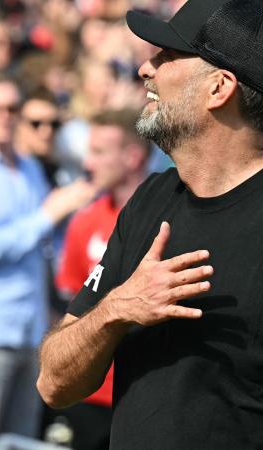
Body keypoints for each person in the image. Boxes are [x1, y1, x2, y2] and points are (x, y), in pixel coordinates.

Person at [37, 1, 263, 449]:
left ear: (219, 88)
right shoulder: (149, 200)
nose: (146, 68)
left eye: (168, 56)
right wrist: (116, 309)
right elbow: (53, 384)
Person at [0, 72, 96, 450]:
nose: (4, 117)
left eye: (11, 108)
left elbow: (43, 244)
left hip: (28, 329)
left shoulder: (26, 167)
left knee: (21, 444)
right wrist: (47, 216)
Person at [54, 108, 151, 450]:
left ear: (132, 156)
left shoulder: (169, 220)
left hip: (145, 392)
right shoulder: (85, 221)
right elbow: (70, 300)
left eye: (99, 152)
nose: (88, 163)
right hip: (89, 394)